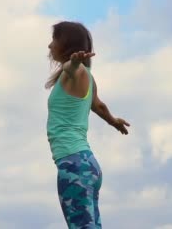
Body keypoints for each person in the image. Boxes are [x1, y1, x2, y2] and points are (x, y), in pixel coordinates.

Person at [46, 21, 130, 229]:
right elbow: (98, 106)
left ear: (67, 46)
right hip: (85, 165)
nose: (49, 45)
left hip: (74, 165)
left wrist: (73, 63)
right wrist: (113, 121)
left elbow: (71, 68)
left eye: (54, 40)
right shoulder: (86, 77)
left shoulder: (76, 72)